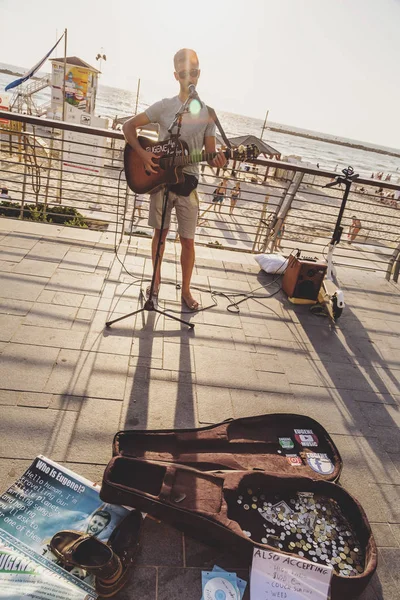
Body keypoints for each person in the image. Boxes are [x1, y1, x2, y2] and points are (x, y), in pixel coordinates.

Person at [122, 49, 226, 311]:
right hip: (161, 182)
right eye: (184, 73)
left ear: (199, 74)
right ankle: (155, 283)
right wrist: (143, 153)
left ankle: (186, 290)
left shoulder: (207, 113)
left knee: (188, 239)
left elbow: (211, 153)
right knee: (161, 233)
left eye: (194, 72)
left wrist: (217, 160)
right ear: (175, 75)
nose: (189, 76)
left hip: (189, 182)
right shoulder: (164, 106)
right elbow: (128, 127)